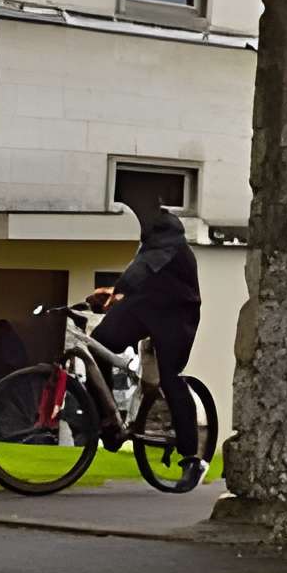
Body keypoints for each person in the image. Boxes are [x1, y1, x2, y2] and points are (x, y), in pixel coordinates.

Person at [87, 196, 202, 459]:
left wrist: (118, 290)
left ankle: (191, 457)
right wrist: (112, 295)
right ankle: (109, 420)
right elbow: (144, 274)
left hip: (177, 313)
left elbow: (144, 268)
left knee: (170, 378)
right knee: (98, 343)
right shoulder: (150, 235)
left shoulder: (167, 233)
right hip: (145, 306)